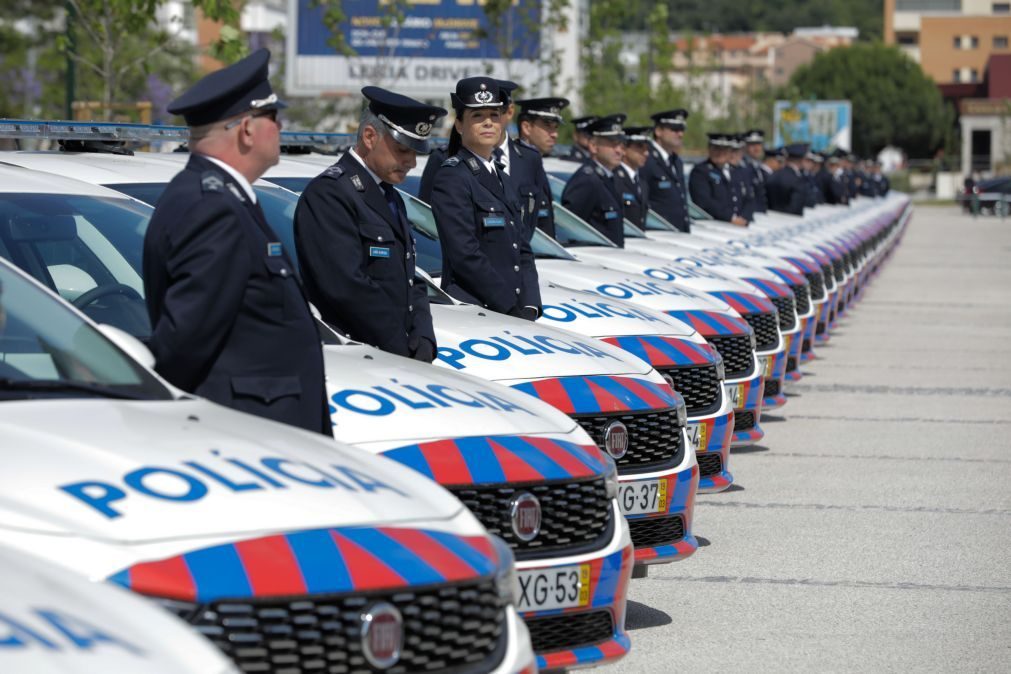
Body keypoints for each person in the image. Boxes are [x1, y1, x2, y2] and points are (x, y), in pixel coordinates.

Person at [143, 49, 331, 436]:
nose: (281, 127)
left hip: (264, 427)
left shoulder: (220, 197)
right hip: (251, 431)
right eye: (273, 117)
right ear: (247, 129)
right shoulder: (214, 208)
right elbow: (184, 343)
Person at [293, 87, 445, 363]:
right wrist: (401, 347)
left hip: (394, 354)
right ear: (370, 136)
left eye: (416, 152)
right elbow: (346, 287)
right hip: (356, 356)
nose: (411, 162)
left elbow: (410, 277)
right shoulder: (330, 194)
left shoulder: (390, 196)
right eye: (402, 149)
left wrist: (424, 338)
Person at [431, 77, 541, 320]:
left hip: (512, 311)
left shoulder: (502, 176)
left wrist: (531, 303)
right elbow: (465, 254)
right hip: (476, 311)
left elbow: (522, 248)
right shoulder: (453, 176)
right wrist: (510, 306)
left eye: (494, 115)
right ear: (459, 125)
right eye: (477, 116)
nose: (488, 123)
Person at [561, 114, 627, 246]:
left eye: (621, 145)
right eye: (613, 145)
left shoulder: (610, 177)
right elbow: (570, 230)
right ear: (593, 146)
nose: (620, 151)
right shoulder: (587, 180)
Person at [514, 96, 570, 238]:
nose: (555, 134)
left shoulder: (534, 164)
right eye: (548, 126)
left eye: (556, 128)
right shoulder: (512, 165)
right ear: (526, 127)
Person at [640, 108, 691, 232]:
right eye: (674, 129)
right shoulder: (647, 159)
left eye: (682, 130)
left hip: (677, 233)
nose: (680, 134)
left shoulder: (676, 161)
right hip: (658, 234)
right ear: (658, 131)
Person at [689, 133, 747, 225]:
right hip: (714, 224)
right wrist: (731, 217)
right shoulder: (701, 171)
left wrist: (744, 217)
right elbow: (704, 202)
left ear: (730, 152)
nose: (720, 153)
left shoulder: (735, 172)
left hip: (737, 224)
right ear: (709, 149)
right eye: (716, 148)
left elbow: (747, 199)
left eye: (724, 149)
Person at [615, 125, 651, 228]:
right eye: (640, 147)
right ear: (624, 149)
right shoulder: (615, 178)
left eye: (647, 148)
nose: (646, 153)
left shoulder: (642, 182)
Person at [766, 143, 809, 215]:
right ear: (802, 159)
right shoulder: (798, 180)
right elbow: (795, 208)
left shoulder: (774, 175)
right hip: (790, 221)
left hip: (769, 221)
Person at [742, 129, 769, 213]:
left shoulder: (758, 167)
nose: (756, 148)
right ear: (745, 146)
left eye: (759, 144)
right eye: (752, 145)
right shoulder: (742, 167)